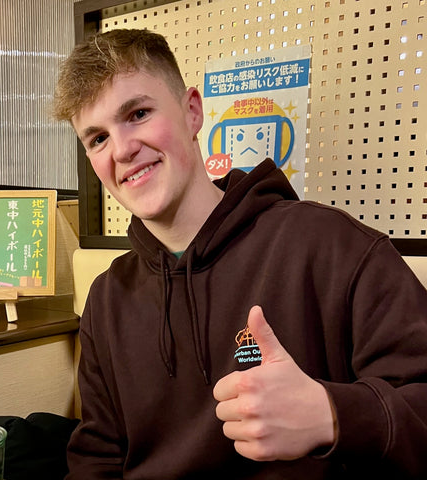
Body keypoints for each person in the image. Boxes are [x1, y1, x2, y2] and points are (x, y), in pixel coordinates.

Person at [53, 29, 427, 479]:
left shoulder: (328, 245)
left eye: (138, 113)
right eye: (97, 139)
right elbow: (97, 459)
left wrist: (333, 415)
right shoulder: (107, 299)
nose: (123, 150)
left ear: (193, 111)